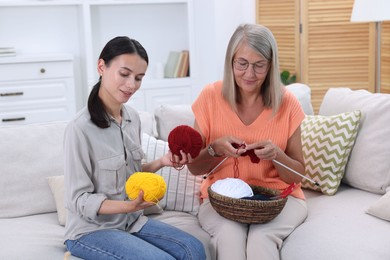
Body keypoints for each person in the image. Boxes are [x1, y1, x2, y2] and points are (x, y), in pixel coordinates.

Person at [63, 36, 206, 260]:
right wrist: (128, 206)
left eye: (139, 78)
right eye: (124, 74)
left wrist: (162, 162)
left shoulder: (132, 118)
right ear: (102, 67)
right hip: (91, 231)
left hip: (132, 222)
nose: (132, 85)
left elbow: (133, 177)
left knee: (194, 249)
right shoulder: (79, 129)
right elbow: (78, 199)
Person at [187, 24, 308, 260]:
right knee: (229, 238)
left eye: (259, 65)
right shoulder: (210, 97)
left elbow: (298, 175)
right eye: (242, 63)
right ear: (230, 62)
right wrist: (214, 150)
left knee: (261, 240)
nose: (249, 74)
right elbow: (193, 167)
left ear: (271, 65)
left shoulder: (288, 103)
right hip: (222, 200)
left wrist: (277, 156)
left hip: (279, 199)